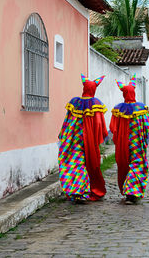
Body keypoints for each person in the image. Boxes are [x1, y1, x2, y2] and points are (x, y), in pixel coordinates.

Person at [58, 74, 108, 203]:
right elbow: (99, 123)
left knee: (74, 163)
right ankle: (81, 191)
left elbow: (66, 119)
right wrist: (100, 137)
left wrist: (62, 134)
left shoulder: (74, 102)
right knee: (85, 164)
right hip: (88, 139)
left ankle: (76, 191)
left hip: (72, 138)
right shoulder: (96, 104)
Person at [110, 76, 149, 204]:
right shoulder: (141, 109)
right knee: (136, 164)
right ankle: (132, 192)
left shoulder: (118, 110)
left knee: (124, 165)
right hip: (137, 144)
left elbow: (112, 128)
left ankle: (128, 191)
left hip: (123, 144)